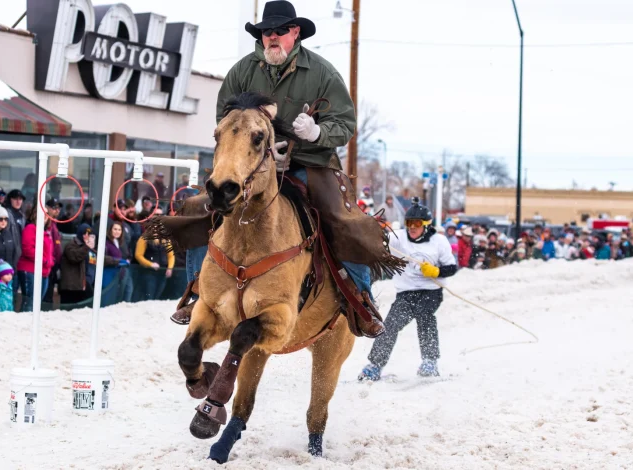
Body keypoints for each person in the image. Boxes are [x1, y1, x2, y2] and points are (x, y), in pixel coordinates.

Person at [166, 1, 388, 337]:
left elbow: (344, 123)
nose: (273, 37)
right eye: (267, 32)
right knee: (200, 207)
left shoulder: (323, 73)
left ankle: (361, 298)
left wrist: (316, 133)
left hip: (310, 163)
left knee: (344, 221)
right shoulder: (242, 71)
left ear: (295, 33)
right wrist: (254, 152)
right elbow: (224, 122)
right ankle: (197, 290)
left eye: (280, 31)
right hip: (251, 167)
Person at [358, 200, 457, 380]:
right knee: (390, 325)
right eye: (409, 223)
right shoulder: (399, 238)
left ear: (426, 226)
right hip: (406, 292)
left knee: (424, 315)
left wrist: (437, 271)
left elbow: (452, 268)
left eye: (417, 224)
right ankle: (375, 365)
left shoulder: (439, 241)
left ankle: (430, 361)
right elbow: (379, 245)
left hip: (431, 291)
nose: (412, 227)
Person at [17, 206, 55, 312]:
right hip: (30, 270)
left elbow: (50, 251)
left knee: (36, 304)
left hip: (44, 271)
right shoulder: (30, 228)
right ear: (35, 214)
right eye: (41, 213)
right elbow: (28, 249)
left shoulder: (47, 231)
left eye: (46, 214)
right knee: (29, 303)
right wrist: (44, 260)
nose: (44, 216)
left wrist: (51, 261)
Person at [60, 223, 100, 305]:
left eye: (90, 235)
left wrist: (116, 261)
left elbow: (99, 258)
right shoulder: (71, 245)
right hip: (71, 288)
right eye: (86, 234)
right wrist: (87, 246)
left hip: (83, 286)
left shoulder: (88, 248)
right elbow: (75, 257)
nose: (88, 237)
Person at [135, 230, 174, 302]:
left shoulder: (166, 239)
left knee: (157, 296)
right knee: (149, 296)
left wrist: (170, 267)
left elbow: (171, 256)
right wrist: (150, 264)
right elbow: (138, 255)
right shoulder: (144, 238)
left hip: (162, 272)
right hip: (148, 272)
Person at [104, 221, 132, 303]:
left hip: (122, 272)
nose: (117, 231)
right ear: (110, 230)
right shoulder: (106, 242)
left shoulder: (121, 242)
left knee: (127, 291)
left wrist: (127, 260)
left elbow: (128, 254)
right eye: (115, 229)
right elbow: (104, 258)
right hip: (110, 273)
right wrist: (119, 261)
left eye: (119, 230)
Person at [43, 199, 64, 304]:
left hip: (53, 263)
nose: (57, 210)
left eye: (58, 208)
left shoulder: (54, 224)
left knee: (49, 293)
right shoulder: (46, 223)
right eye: (54, 208)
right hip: (47, 263)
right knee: (46, 295)